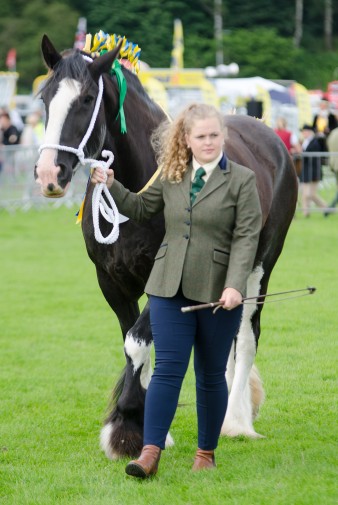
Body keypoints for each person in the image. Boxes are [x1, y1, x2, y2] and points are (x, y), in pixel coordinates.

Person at [91, 103, 262, 478]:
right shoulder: (170, 175)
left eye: (214, 135)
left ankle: (205, 453)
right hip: (168, 286)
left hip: (219, 293)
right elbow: (139, 209)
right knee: (167, 370)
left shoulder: (243, 181)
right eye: (200, 136)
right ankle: (149, 453)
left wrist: (235, 285)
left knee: (210, 374)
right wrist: (110, 184)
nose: (208, 142)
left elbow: (247, 238)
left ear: (223, 136)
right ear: (186, 139)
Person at [299, 124, 328, 217]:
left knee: (310, 194)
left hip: (313, 171)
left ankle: (325, 207)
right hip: (306, 170)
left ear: (309, 132)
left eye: (305, 131)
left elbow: (312, 156)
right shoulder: (305, 142)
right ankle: (305, 213)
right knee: (305, 193)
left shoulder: (314, 142)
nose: (303, 133)